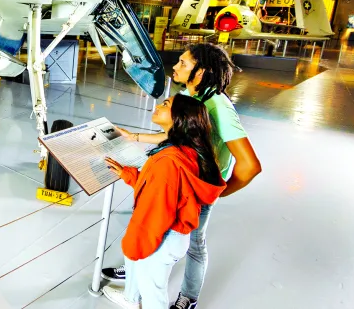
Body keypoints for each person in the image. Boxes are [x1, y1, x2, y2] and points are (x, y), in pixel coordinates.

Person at [102, 43, 262, 309]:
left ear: (203, 72)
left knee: (193, 243)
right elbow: (179, 132)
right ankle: (137, 270)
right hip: (182, 182)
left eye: (184, 64)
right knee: (157, 230)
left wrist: (210, 192)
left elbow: (249, 166)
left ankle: (187, 297)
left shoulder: (218, 106)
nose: (175, 67)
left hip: (196, 188)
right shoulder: (190, 96)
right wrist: (135, 137)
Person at [102, 94, 226, 309]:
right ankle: (132, 299)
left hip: (162, 238)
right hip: (175, 237)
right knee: (152, 287)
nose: (158, 106)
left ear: (180, 118)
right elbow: (163, 190)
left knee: (153, 296)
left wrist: (134, 247)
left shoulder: (169, 161)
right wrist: (128, 174)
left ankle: (134, 301)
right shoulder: (185, 151)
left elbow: (156, 213)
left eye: (166, 104)